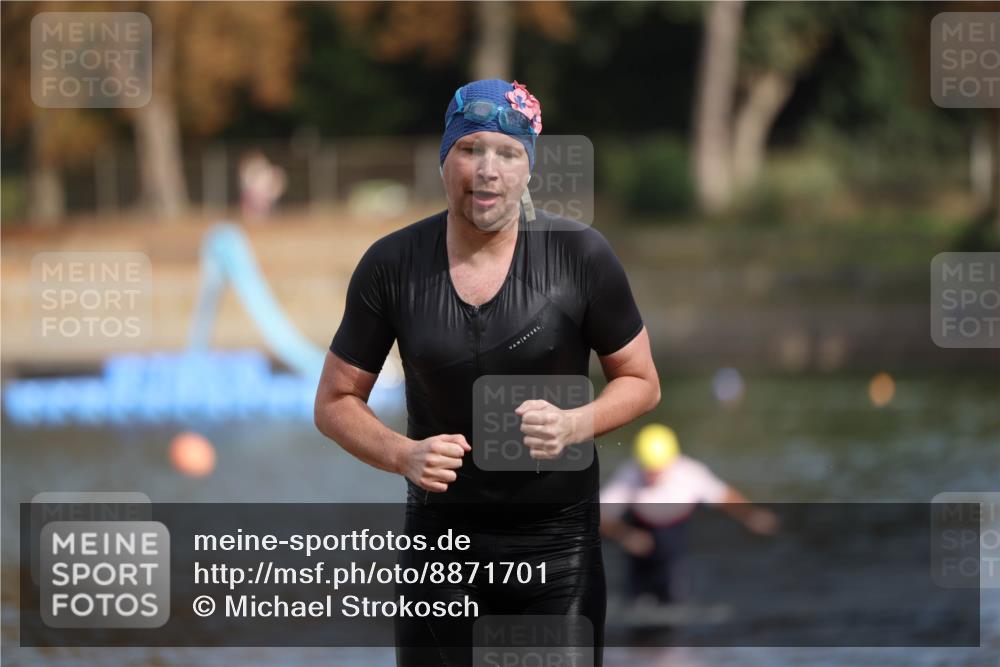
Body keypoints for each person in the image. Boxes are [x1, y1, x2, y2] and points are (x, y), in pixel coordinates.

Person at [314, 79, 661, 667]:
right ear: (444, 160)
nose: (487, 170)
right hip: (439, 551)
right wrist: (402, 455)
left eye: (508, 152)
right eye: (471, 149)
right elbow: (335, 402)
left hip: (558, 549)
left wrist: (576, 424)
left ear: (530, 168)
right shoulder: (392, 265)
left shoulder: (580, 255)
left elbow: (641, 381)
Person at [600, 424, 779, 605]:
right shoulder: (629, 475)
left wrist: (751, 516)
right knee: (634, 600)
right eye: (647, 470)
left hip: (672, 546)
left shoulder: (690, 473)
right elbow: (599, 515)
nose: (651, 475)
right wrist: (625, 535)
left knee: (673, 599)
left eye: (657, 470)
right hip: (639, 545)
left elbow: (723, 496)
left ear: (671, 461)